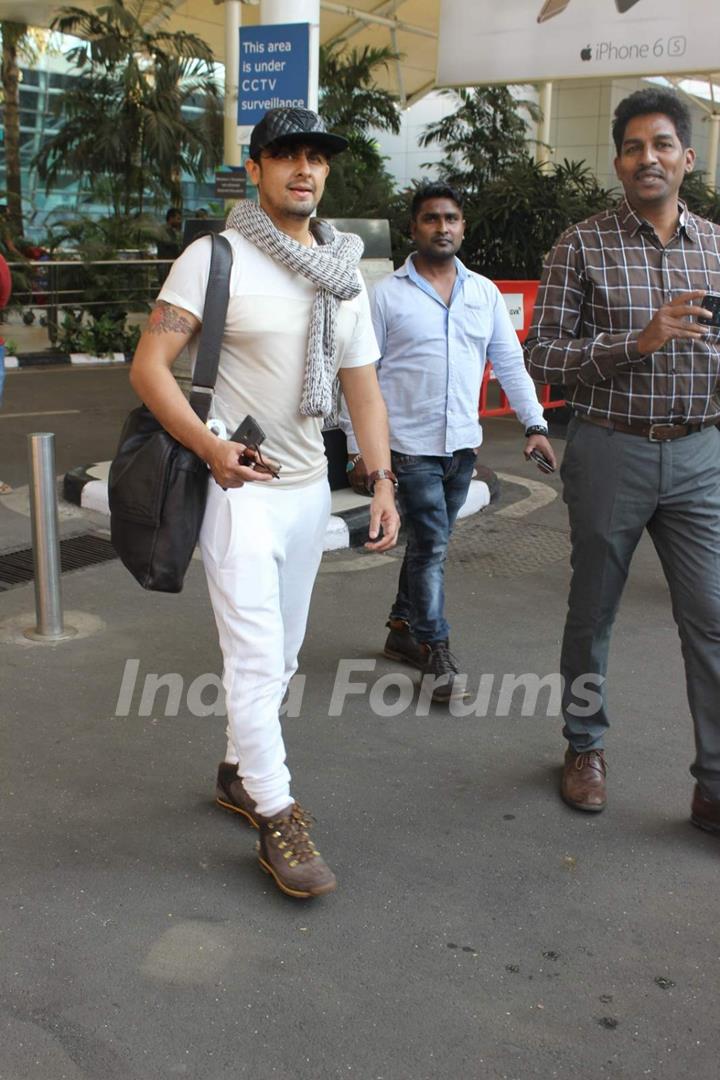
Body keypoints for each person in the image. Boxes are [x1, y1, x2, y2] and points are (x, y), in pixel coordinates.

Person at [129, 107, 400, 898]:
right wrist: (210, 447)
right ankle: (278, 812)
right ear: (256, 169)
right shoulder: (214, 258)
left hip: (308, 491)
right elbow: (150, 368)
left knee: (280, 657)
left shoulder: (345, 275)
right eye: (286, 156)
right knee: (252, 657)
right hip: (235, 486)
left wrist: (381, 480)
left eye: (316, 157)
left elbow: (363, 390)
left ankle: (236, 769)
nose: (304, 169)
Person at [525, 88, 720, 833]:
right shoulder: (581, 245)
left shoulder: (716, 247)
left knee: (711, 620)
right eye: (635, 147)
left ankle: (715, 785)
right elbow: (543, 353)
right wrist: (637, 341)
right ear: (618, 161)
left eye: (663, 144)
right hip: (611, 449)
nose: (649, 158)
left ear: (687, 159)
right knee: (593, 612)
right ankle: (584, 747)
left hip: (701, 452)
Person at [340, 181, 556, 702]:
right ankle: (437, 652)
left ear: (463, 227)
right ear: (413, 228)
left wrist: (536, 424)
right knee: (433, 546)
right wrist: (359, 451)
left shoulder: (483, 293)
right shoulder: (386, 296)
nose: (443, 227)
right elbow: (359, 376)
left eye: (452, 218)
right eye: (432, 219)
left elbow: (509, 363)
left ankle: (399, 628)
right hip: (406, 448)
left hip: (462, 448)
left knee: (425, 544)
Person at [156, 208, 182, 284]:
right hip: (165, 263)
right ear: (171, 218)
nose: (179, 221)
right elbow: (168, 242)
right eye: (178, 219)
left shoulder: (177, 231)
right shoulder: (162, 230)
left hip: (174, 262)